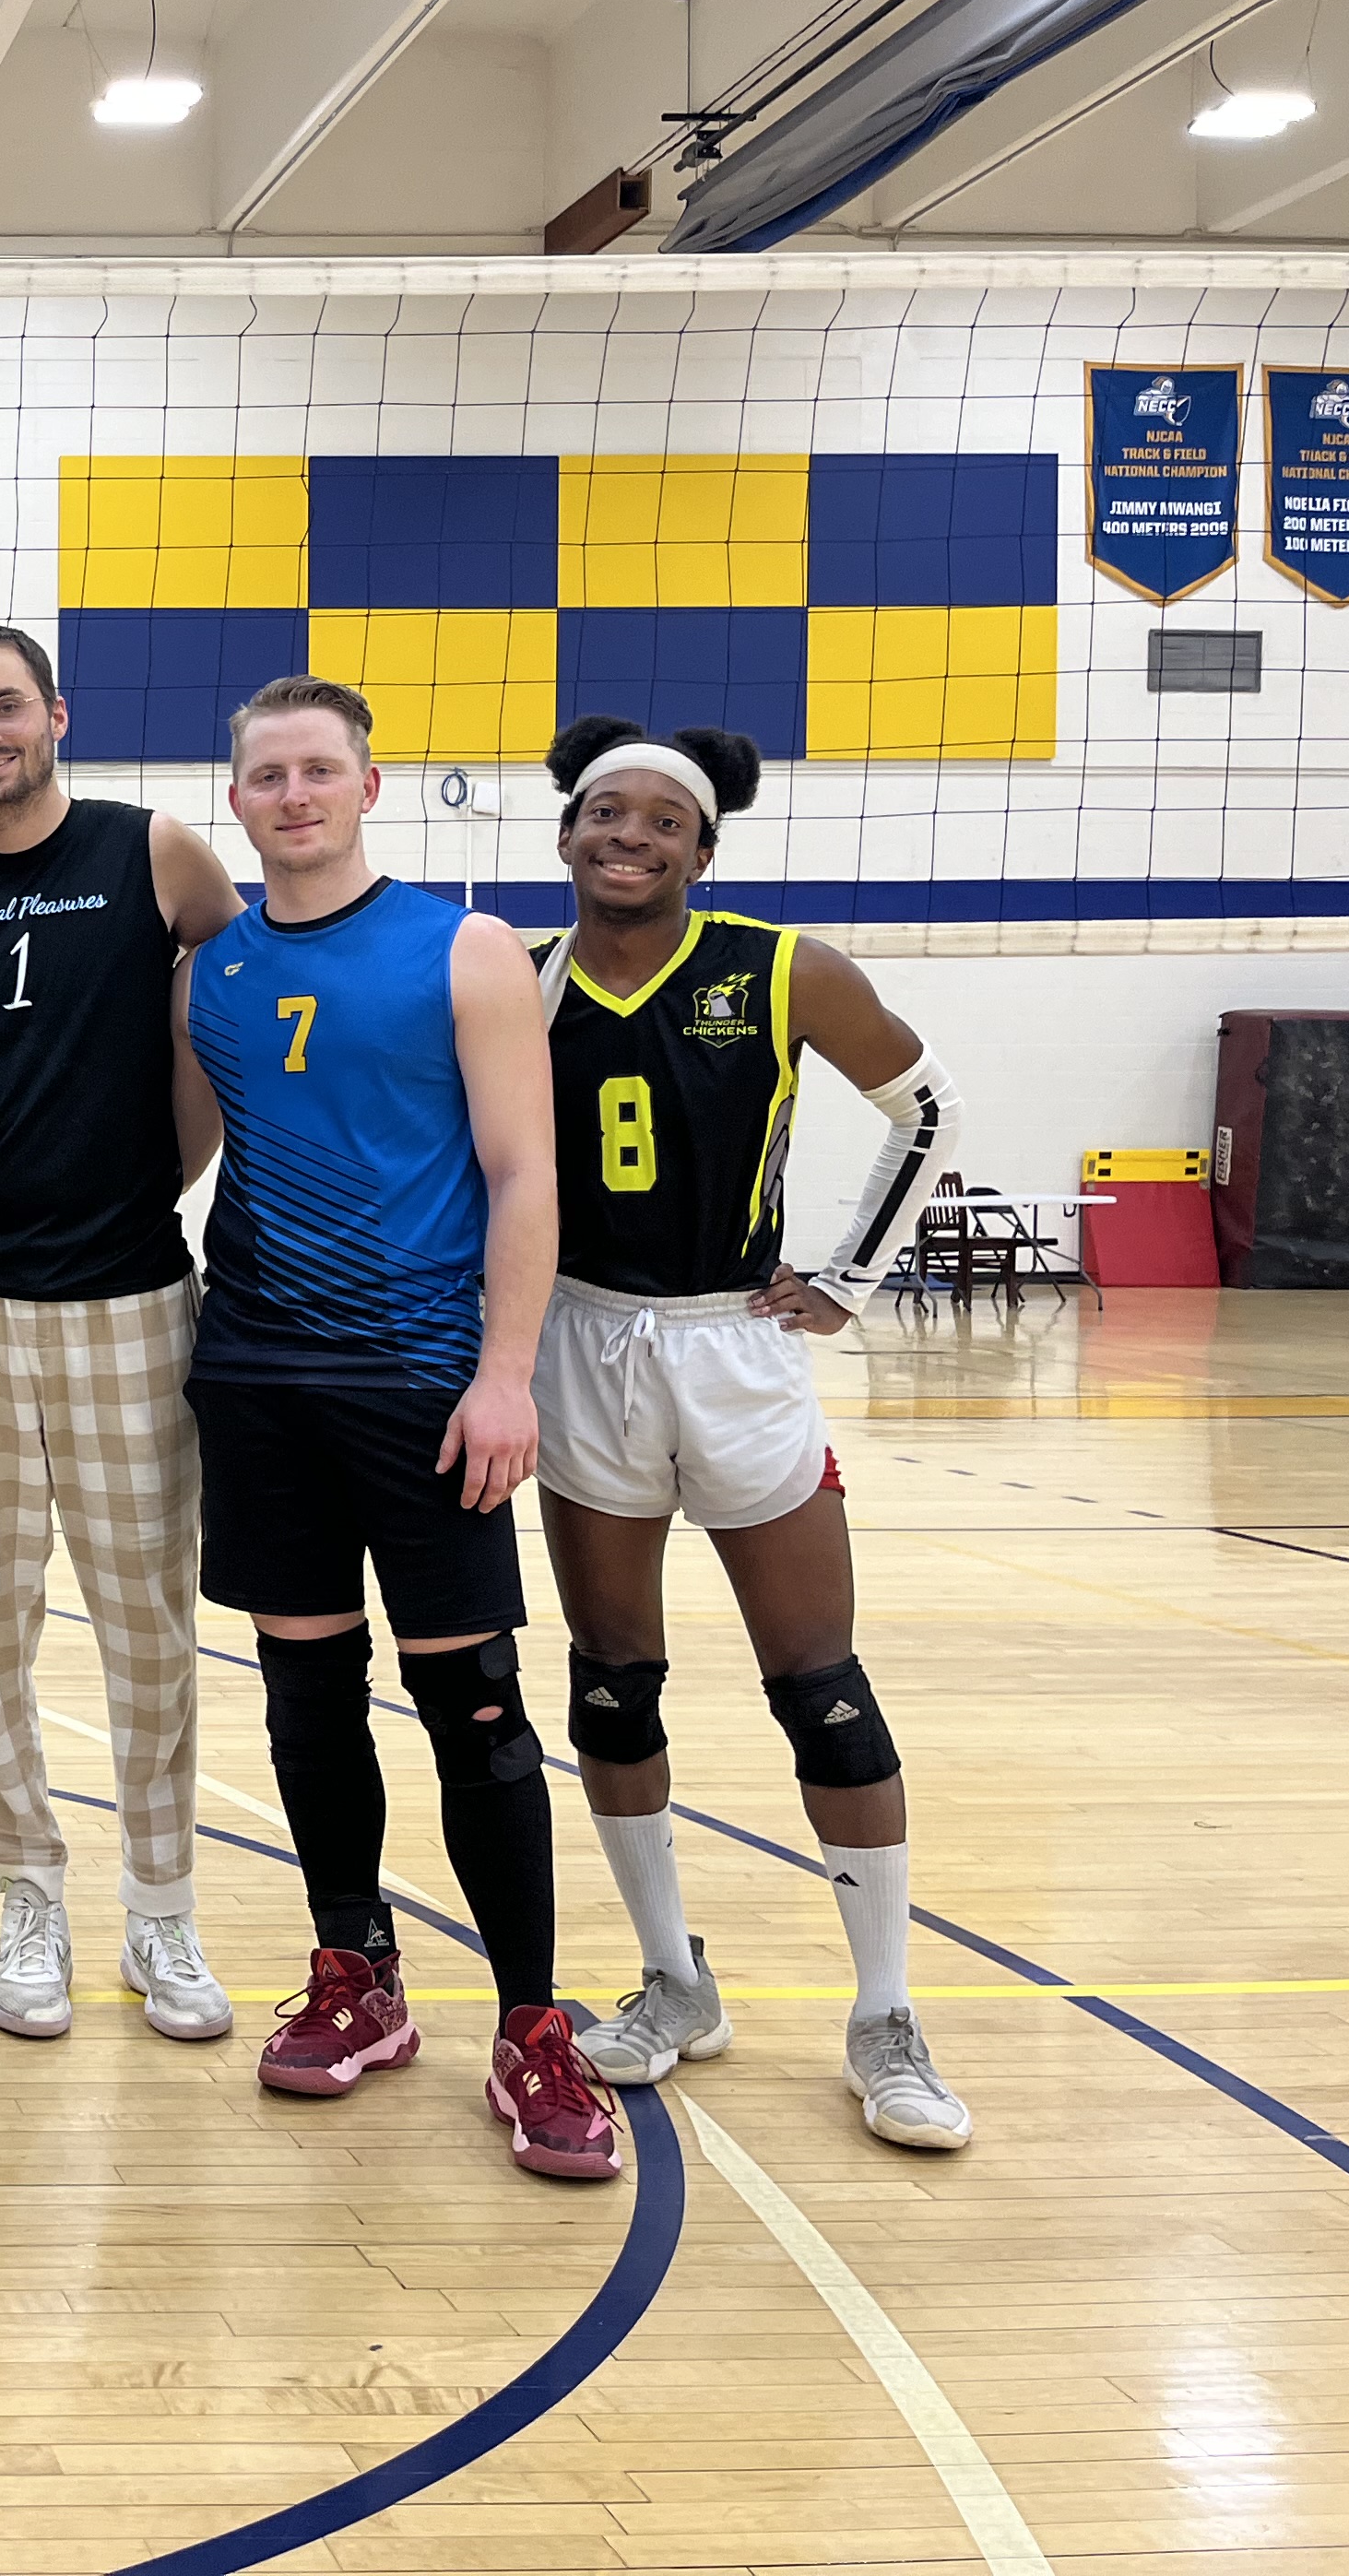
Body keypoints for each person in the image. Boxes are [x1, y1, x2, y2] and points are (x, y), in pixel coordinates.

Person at [173, 673, 618, 2181]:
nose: (293, 795)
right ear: (237, 799)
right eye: (267, 775)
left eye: (319, 770)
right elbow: (183, 1154)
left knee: (474, 1706)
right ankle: (355, 1973)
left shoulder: (466, 949)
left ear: (368, 787)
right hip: (258, 1376)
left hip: (424, 1380)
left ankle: (533, 2028)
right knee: (305, 1693)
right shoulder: (214, 971)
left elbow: (525, 1172)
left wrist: (509, 1373)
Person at [530, 718, 973, 2150]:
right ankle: (674, 1981)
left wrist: (850, 1277)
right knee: (613, 1686)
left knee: (822, 1687)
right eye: (607, 812)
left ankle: (885, 2015)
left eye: (663, 821)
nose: (631, 835)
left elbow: (926, 1108)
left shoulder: (784, 968)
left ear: (703, 851)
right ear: (566, 833)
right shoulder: (519, 978)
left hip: (735, 1344)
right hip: (581, 1342)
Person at [0, 625, 244, 2045]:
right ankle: (27, 1893)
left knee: (148, 1625)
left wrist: (170, 1163)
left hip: (131, 1296)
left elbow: (240, 992)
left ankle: (163, 1907)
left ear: (55, 715)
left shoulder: (153, 851)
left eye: (5, 708)